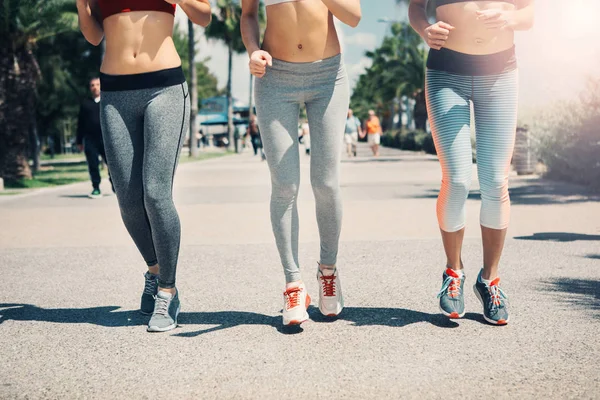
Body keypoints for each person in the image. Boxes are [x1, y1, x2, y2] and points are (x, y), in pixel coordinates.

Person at [77, 0, 211, 332]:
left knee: (155, 194)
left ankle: (168, 289)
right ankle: (154, 270)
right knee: (127, 197)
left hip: (164, 88)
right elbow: (94, 35)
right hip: (116, 93)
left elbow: (204, 15)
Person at [409, 0, 534, 325]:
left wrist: (507, 16)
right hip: (445, 72)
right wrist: (425, 30)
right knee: (458, 178)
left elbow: (528, 15)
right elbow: (416, 8)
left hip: (500, 73)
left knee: (495, 180)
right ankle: (454, 271)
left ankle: (489, 279)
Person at [242, 0, 361, 326]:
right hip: (274, 77)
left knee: (325, 182)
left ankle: (328, 270)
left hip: (327, 77)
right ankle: (293, 283)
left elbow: (353, 17)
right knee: (284, 185)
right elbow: (249, 14)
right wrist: (253, 49)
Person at [76, 77, 108, 199]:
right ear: (90, 88)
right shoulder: (85, 104)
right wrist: (79, 141)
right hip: (90, 139)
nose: (95, 87)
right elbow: (80, 124)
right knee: (92, 164)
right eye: (92, 85)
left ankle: (116, 187)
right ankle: (96, 187)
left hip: (105, 138)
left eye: (97, 84)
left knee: (112, 163)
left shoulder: (107, 101)